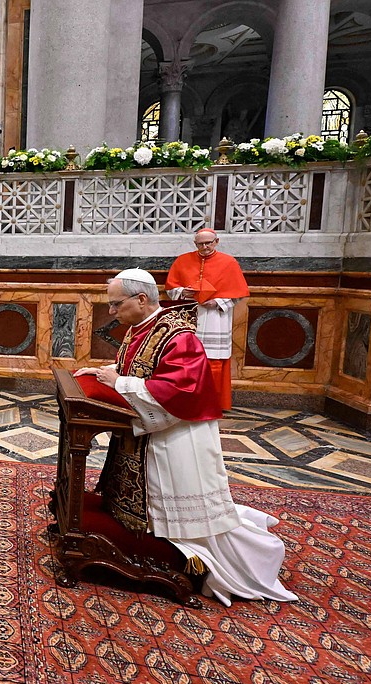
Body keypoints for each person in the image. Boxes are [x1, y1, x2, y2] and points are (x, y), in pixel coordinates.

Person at [74, 269, 296, 607]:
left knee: (183, 515)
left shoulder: (179, 336)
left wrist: (118, 383)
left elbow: (180, 392)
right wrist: (105, 374)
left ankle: (232, 557)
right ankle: (146, 526)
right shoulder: (143, 328)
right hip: (154, 434)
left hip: (176, 438)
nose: (112, 312)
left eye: (116, 304)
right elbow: (139, 369)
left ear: (142, 299)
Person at [165, 227, 249, 411]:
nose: (205, 247)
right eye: (200, 244)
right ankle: (188, 398)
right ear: (195, 244)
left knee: (214, 360)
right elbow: (171, 288)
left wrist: (218, 301)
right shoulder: (183, 260)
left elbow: (239, 293)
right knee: (186, 358)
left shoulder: (229, 263)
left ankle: (213, 402)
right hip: (189, 314)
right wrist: (183, 292)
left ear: (216, 242)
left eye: (208, 243)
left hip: (215, 317)